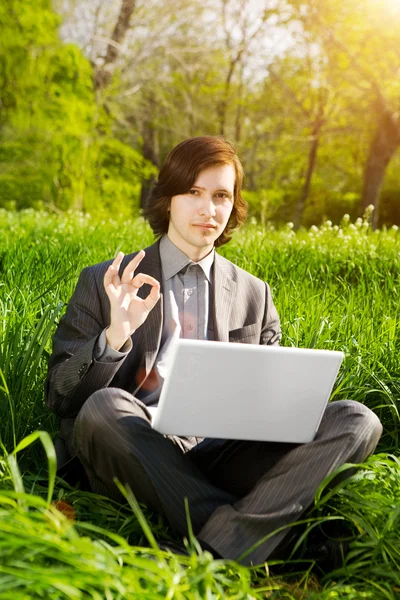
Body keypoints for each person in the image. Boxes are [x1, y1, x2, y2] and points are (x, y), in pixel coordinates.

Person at [46, 136, 382, 566]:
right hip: (137, 449)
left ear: (234, 204)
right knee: (104, 406)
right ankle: (267, 540)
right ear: (168, 199)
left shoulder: (254, 294)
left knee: (357, 419)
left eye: (221, 195)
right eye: (193, 192)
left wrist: (285, 404)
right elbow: (60, 395)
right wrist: (114, 336)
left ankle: (212, 546)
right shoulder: (105, 280)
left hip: (222, 451)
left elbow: (270, 402)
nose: (208, 209)